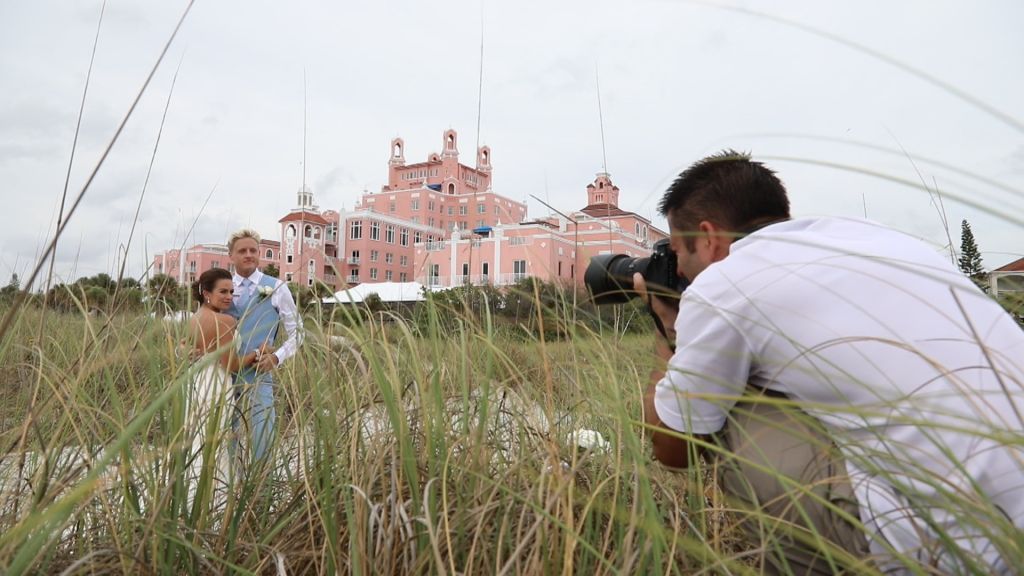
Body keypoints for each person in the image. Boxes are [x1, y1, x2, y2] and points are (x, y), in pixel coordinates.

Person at [635, 150, 1024, 574]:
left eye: (678, 252)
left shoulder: (724, 284)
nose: (682, 270)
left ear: (708, 237)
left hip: (953, 552)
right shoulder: (874, 238)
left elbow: (674, 446)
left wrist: (666, 329)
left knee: (735, 401)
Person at [226, 229, 302, 463]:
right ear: (231, 256)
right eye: (242, 251)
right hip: (225, 373)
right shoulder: (223, 286)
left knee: (263, 434)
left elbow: (298, 333)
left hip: (260, 372)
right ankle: (231, 488)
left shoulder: (277, 287)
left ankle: (260, 491)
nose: (248, 255)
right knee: (227, 435)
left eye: (253, 250)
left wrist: (276, 358)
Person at [186, 267, 261, 496]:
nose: (229, 296)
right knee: (215, 443)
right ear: (206, 293)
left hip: (196, 384)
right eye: (223, 292)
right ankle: (215, 497)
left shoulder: (195, 318)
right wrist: (259, 352)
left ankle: (192, 494)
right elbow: (233, 365)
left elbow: (185, 347)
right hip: (216, 386)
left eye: (231, 291)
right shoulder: (224, 321)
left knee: (197, 441)